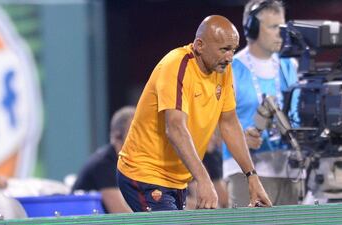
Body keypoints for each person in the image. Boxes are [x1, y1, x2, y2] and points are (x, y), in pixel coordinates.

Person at [117, 15, 272, 212]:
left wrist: (252, 177)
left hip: (178, 180)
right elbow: (175, 128)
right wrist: (204, 181)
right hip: (143, 173)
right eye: (224, 49)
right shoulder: (176, 65)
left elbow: (229, 124)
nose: (230, 57)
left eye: (233, 50)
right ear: (200, 45)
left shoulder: (223, 70)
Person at [222, 0, 301, 207]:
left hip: (288, 171)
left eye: (282, 26)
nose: (280, 33)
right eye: (274, 27)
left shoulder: (290, 66)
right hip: (245, 172)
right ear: (253, 28)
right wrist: (239, 139)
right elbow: (212, 124)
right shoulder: (231, 69)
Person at [72, 106, 135, 213]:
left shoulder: (126, 163)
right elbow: (119, 212)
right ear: (118, 136)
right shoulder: (104, 164)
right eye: (135, 131)